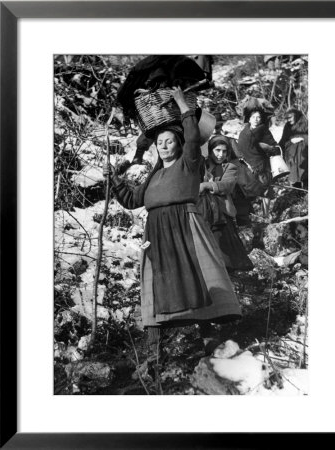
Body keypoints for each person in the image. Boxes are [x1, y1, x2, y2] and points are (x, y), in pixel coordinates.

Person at [103, 87, 241, 372]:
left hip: (185, 226)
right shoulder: (155, 174)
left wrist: (181, 104)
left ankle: (209, 339)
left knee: (197, 277)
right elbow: (132, 200)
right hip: (156, 232)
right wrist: (115, 180)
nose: (164, 146)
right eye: (160, 143)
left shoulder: (189, 163)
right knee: (158, 282)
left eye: (169, 141)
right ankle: (154, 349)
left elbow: (193, 137)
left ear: (179, 145)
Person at [198, 135, 253, 272]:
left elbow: (227, 185)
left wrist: (206, 185)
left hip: (221, 210)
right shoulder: (202, 164)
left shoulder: (230, 167)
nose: (220, 155)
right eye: (217, 150)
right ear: (210, 150)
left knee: (224, 248)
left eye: (224, 151)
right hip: (202, 208)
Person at [235, 109, 280, 218]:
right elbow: (241, 146)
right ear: (249, 119)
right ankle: (249, 215)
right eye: (253, 117)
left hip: (261, 165)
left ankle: (265, 215)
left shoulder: (264, 130)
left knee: (265, 190)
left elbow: (275, 147)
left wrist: (265, 147)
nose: (256, 119)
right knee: (247, 188)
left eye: (258, 117)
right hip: (245, 165)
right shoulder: (244, 130)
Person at [279, 108, 308, 189]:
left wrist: (302, 138)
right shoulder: (287, 126)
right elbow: (283, 139)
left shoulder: (306, 124)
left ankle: (306, 192)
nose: (288, 120)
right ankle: (296, 192)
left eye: (290, 117)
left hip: (304, 155)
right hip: (292, 155)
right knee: (294, 175)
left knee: (305, 175)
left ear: (296, 116)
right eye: (287, 118)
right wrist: (277, 148)